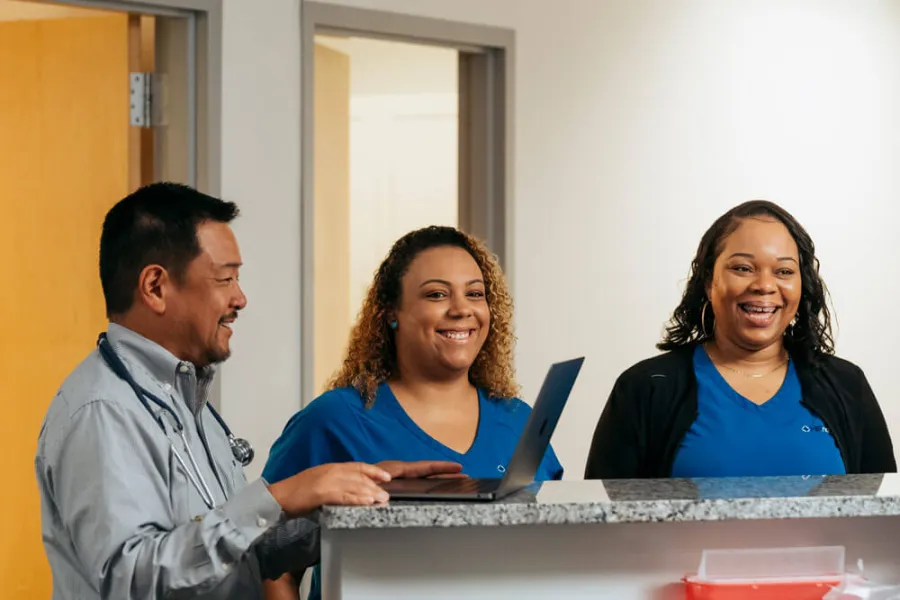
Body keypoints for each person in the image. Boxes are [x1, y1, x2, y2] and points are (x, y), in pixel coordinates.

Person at [34, 183, 461, 600]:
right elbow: (130, 578)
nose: (241, 298)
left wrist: (347, 504)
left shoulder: (183, 399)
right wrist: (276, 497)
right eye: (225, 279)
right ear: (156, 288)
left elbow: (235, 557)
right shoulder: (102, 410)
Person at [262, 225, 564, 599]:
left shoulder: (520, 420)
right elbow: (268, 561)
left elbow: (553, 547)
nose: (461, 310)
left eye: (475, 294)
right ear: (392, 314)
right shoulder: (334, 420)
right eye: (437, 294)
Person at [584, 200, 896, 480]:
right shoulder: (646, 388)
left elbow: (884, 521)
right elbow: (602, 531)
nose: (764, 285)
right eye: (743, 268)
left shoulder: (846, 384)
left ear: (802, 285)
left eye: (784, 271)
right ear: (709, 281)